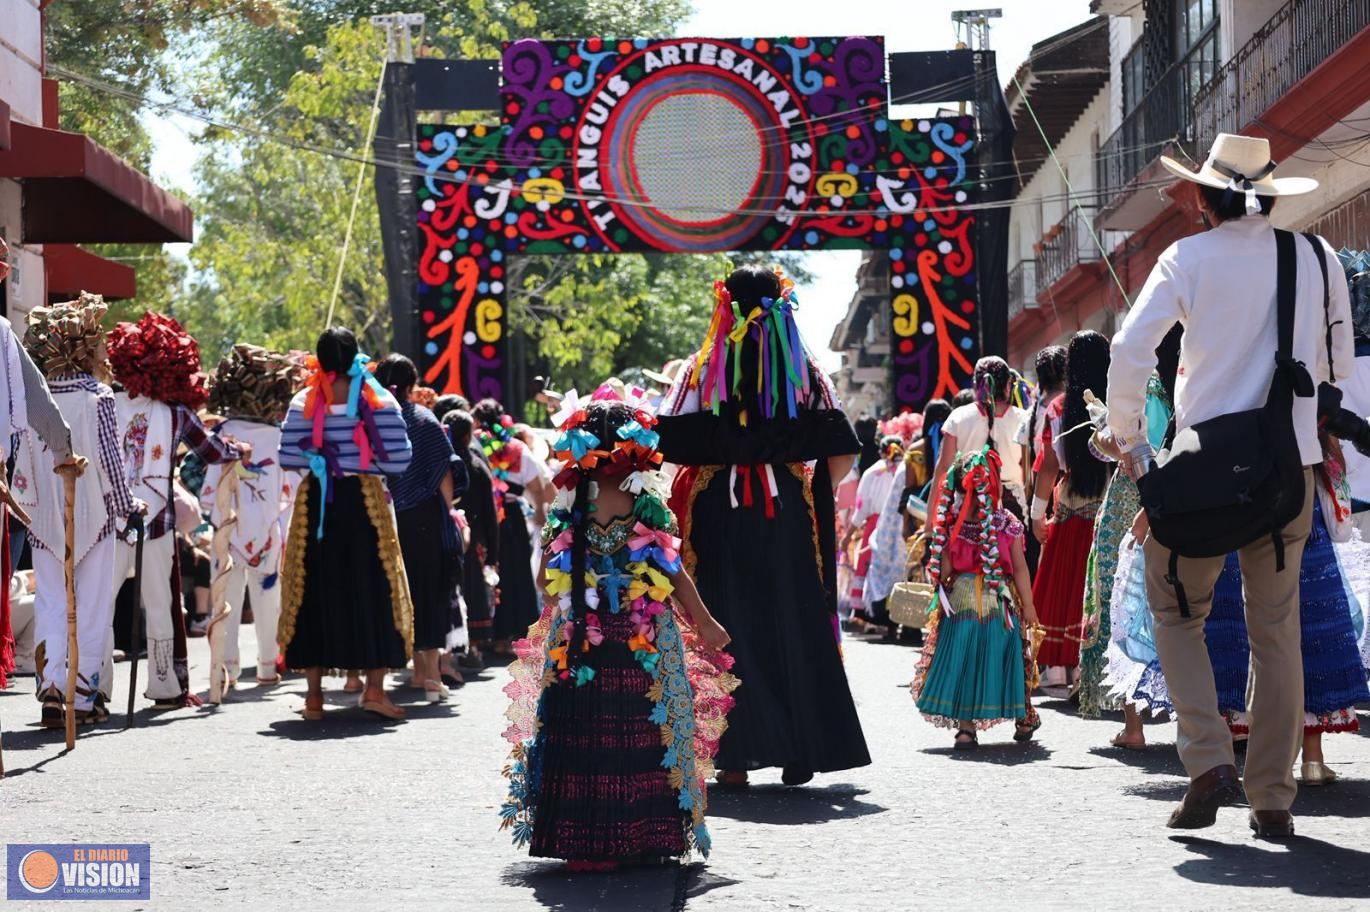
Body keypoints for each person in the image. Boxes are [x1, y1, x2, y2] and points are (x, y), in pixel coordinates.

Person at [1105, 133, 1353, 837]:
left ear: (1207, 196)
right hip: (1287, 471)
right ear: (1270, 193)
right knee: (1276, 631)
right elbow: (1334, 369)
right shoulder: (1315, 256)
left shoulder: (1186, 257)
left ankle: (1210, 760)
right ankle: (1272, 795)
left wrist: (1130, 440)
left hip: (1202, 475)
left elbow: (1130, 349)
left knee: (1176, 611)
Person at [500, 394, 736, 868]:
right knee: (646, 730)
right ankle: (641, 836)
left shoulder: (570, 503)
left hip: (580, 638)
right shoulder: (645, 500)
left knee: (580, 730)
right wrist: (705, 621)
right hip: (642, 639)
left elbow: (547, 582)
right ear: (635, 450)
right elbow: (670, 574)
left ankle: (582, 840)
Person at [658, 265, 869, 786]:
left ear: (725, 304)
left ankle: (733, 758)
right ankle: (802, 750)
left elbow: (665, 442)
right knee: (794, 620)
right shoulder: (803, 368)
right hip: (786, 513)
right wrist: (807, 486)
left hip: (718, 510)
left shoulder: (701, 367)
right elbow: (841, 448)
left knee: (729, 617)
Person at [105, 312, 247, 708]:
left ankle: (92, 690)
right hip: (157, 520)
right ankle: (166, 685)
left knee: (100, 601)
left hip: (107, 519)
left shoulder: (106, 404)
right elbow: (213, 451)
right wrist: (239, 450)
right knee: (160, 603)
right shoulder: (176, 414)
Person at [277, 328, 414, 721]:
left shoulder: (304, 399)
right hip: (364, 502)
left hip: (317, 500)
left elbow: (289, 455)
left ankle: (314, 698)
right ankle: (373, 690)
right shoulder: (379, 399)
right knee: (373, 590)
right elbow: (398, 460)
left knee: (313, 589)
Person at [17, 295, 141, 725]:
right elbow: (110, 462)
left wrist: (30, 507)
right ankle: (83, 696)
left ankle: (53, 687)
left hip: (44, 517)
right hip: (93, 514)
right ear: (85, 347)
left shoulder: (37, 397)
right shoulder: (98, 396)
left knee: (51, 600)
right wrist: (127, 508)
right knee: (90, 605)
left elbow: (23, 461)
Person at [1079, 325, 1183, 744]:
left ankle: (1133, 725)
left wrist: (1100, 427)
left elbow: (1118, 445)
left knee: (1125, 597)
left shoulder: (1136, 387)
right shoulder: (1187, 384)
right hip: (1186, 490)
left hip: (1129, 498)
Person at [911, 447, 1041, 747]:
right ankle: (1023, 717)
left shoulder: (952, 523)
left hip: (959, 604)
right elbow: (1020, 569)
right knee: (1007, 659)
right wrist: (1030, 606)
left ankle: (966, 727)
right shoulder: (1005, 521)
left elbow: (944, 570)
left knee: (963, 660)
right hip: (998, 602)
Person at [198, 344, 303, 694]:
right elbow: (289, 490)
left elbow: (209, 489)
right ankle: (266, 666)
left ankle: (226, 668)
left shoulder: (223, 431)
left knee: (225, 599)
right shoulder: (278, 436)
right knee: (266, 600)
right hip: (265, 531)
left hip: (227, 531)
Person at [374, 354, 461, 704]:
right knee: (428, 592)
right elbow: (444, 474)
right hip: (425, 518)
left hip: (383, 515)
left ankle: (390, 670)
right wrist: (451, 511)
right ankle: (427, 674)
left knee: (392, 591)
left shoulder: (373, 419)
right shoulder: (425, 419)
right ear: (413, 383)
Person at [1030, 331, 1111, 688]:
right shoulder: (1119, 403)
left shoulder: (1058, 408)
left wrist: (1035, 514)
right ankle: (1093, 668)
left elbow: (1048, 466)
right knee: (1098, 585)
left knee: (1063, 585)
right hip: (1109, 505)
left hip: (1068, 504)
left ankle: (1060, 669)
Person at [472, 399, 551, 653]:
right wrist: (539, 511)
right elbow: (536, 487)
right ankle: (516, 634)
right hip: (512, 516)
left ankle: (487, 634)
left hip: (482, 515)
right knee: (516, 573)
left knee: (487, 569)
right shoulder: (516, 447)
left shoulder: (474, 443)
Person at [932, 357, 1030, 516]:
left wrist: (931, 519)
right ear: (1008, 384)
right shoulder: (1024, 418)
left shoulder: (958, 417)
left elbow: (943, 469)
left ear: (976, 385)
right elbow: (1028, 471)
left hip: (968, 507)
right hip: (1012, 507)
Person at [444, 409, 497, 666]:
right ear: (467, 437)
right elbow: (490, 513)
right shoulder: (477, 466)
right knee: (473, 591)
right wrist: (493, 555)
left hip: (443, 536)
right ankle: (473, 646)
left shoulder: (439, 465)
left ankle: (447, 650)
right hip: (473, 538)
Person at [846, 435, 903, 624]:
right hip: (899, 525)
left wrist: (848, 534)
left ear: (881, 451)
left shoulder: (873, 472)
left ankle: (867, 611)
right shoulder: (906, 470)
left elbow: (861, 507)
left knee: (870, 566)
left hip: (874, 526)